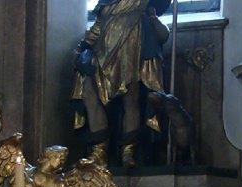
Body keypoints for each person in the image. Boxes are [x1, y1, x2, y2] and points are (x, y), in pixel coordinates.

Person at [73, 0, 171, 167]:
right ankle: (99, 151)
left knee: (130, 97)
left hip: (131, 47)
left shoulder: (142, 5)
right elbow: (98, 26)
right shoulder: (106, 3)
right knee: (89, 92)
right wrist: (83, 46)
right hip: (102, 52)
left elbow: (162, 29)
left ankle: (128, 151)